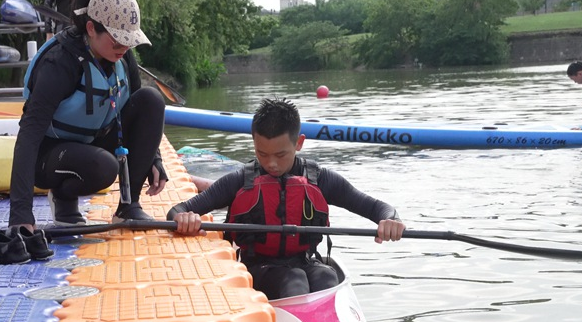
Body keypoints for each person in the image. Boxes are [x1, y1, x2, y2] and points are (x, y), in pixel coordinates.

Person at [0, 0, 167, 264]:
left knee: (151, 99)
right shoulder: (60, 62)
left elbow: (136, 110)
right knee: (104, 167)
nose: (123, 48)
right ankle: (63, 198)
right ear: (91, 28)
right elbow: (29, 135)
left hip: (93, 138)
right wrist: (21, 216)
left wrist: (154, 158)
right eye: (117, 40)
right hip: (50, 154)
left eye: (129, 41)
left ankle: (128, 205)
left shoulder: (122, 55)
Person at [168, 98, 405, 300]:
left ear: (298, 143)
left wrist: (391, 220)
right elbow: (177, 210)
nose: (271, 163)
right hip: (258, 268)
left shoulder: (321, 179)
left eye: (281, 154)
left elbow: (378, 208)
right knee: (294, 280)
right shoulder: (239, 180)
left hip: (305, 261)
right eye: (262, 153)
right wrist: (185, 219)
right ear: (254, 143)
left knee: (326, 275)